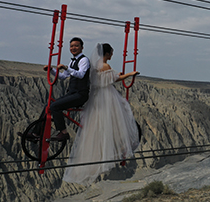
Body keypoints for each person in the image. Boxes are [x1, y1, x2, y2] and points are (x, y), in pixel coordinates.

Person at [63, 42, 140, 185]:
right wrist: (131, 74)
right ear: (107, 53)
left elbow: (103, 78)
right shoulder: (105, 66)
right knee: (119, 118)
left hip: (95, 98)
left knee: (97, 126)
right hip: (107, 96)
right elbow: (114, 79)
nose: (112, 54)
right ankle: (121, 147)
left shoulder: (94, 65)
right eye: (111, 52)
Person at [19, 37, 91, 141]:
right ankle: (36, 133)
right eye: (71, 46)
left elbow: (81, 75)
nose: (73, 48)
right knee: (48, 105)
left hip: (80, 94)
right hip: (72, 93)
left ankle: (63, 132)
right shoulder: (72, 62)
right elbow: (62, 77)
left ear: (82, 47)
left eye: (76, 46)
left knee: (55, 106)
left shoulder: (84, 60)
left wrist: (67, 68)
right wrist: (51, 70)